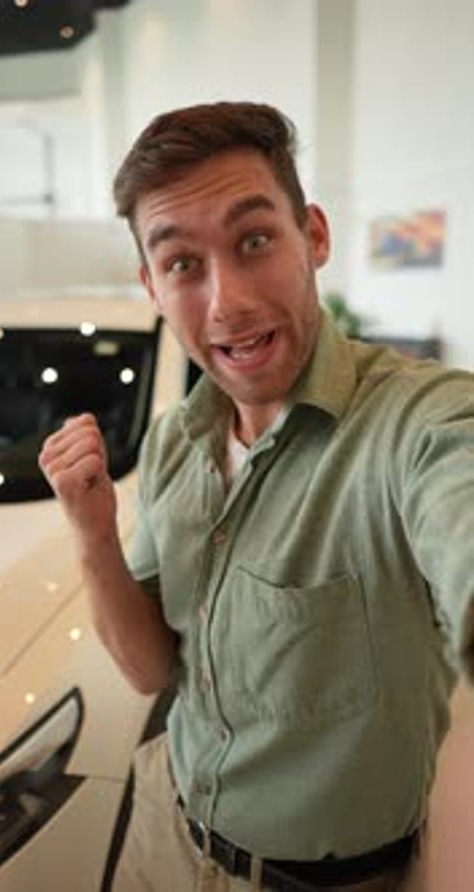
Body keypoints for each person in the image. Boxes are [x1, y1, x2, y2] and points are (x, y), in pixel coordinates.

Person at [38, 101, 474, 892]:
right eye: (182, 264)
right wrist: (93, 534)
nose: (227, 303)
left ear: (313, 235)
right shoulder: (175, 443)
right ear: (152, 284)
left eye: (255, 241)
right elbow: (149, 670)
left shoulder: (417, 423)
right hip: (164, 830)